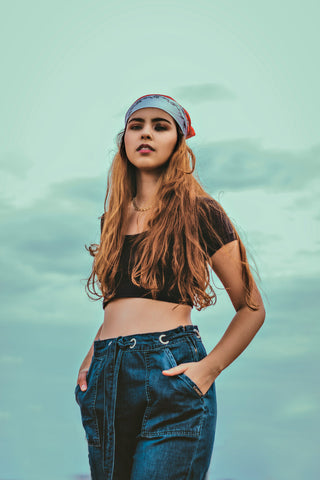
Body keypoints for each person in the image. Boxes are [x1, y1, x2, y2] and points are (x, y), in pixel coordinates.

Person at [74, 93, 266, 480]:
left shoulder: (200, 210)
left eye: (160, 126)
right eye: (136, 125)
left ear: (178, 142)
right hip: (106, 372)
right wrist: (92, 354)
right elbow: (122, 301)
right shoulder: (112, 219)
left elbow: (252, 308)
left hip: (170, 370)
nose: (146, 133)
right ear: (124, 140)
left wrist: (208, 370)